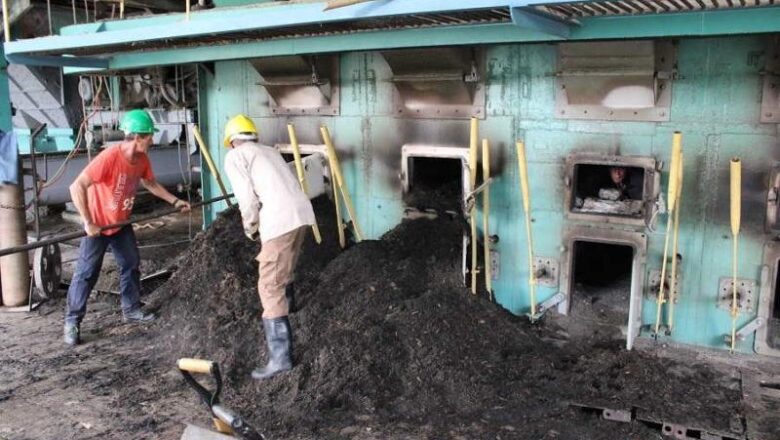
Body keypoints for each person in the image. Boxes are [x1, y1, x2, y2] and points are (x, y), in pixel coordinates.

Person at [63, 109, 191, 346]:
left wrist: (174, 200)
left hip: (121, 224)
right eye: (149, 135)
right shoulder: (110, 157)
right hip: (99, 225)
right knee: (86, 273)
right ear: (136, 136)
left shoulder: (141, 159)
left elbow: (150, 183)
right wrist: (88, 221)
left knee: (131, 265)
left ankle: (131, 309)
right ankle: (72, 321)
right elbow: (76, 186)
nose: (152, 140)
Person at [222, 114, 315, 380]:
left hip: (279, 220)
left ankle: (280, 359)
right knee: (284, 272)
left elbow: (247, 199)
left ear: (231, 141)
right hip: (302, 214)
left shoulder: (235, 157)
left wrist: (250, 226)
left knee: (268, 285)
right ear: (253, 135)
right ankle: (291, 309)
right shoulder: (269, 152)